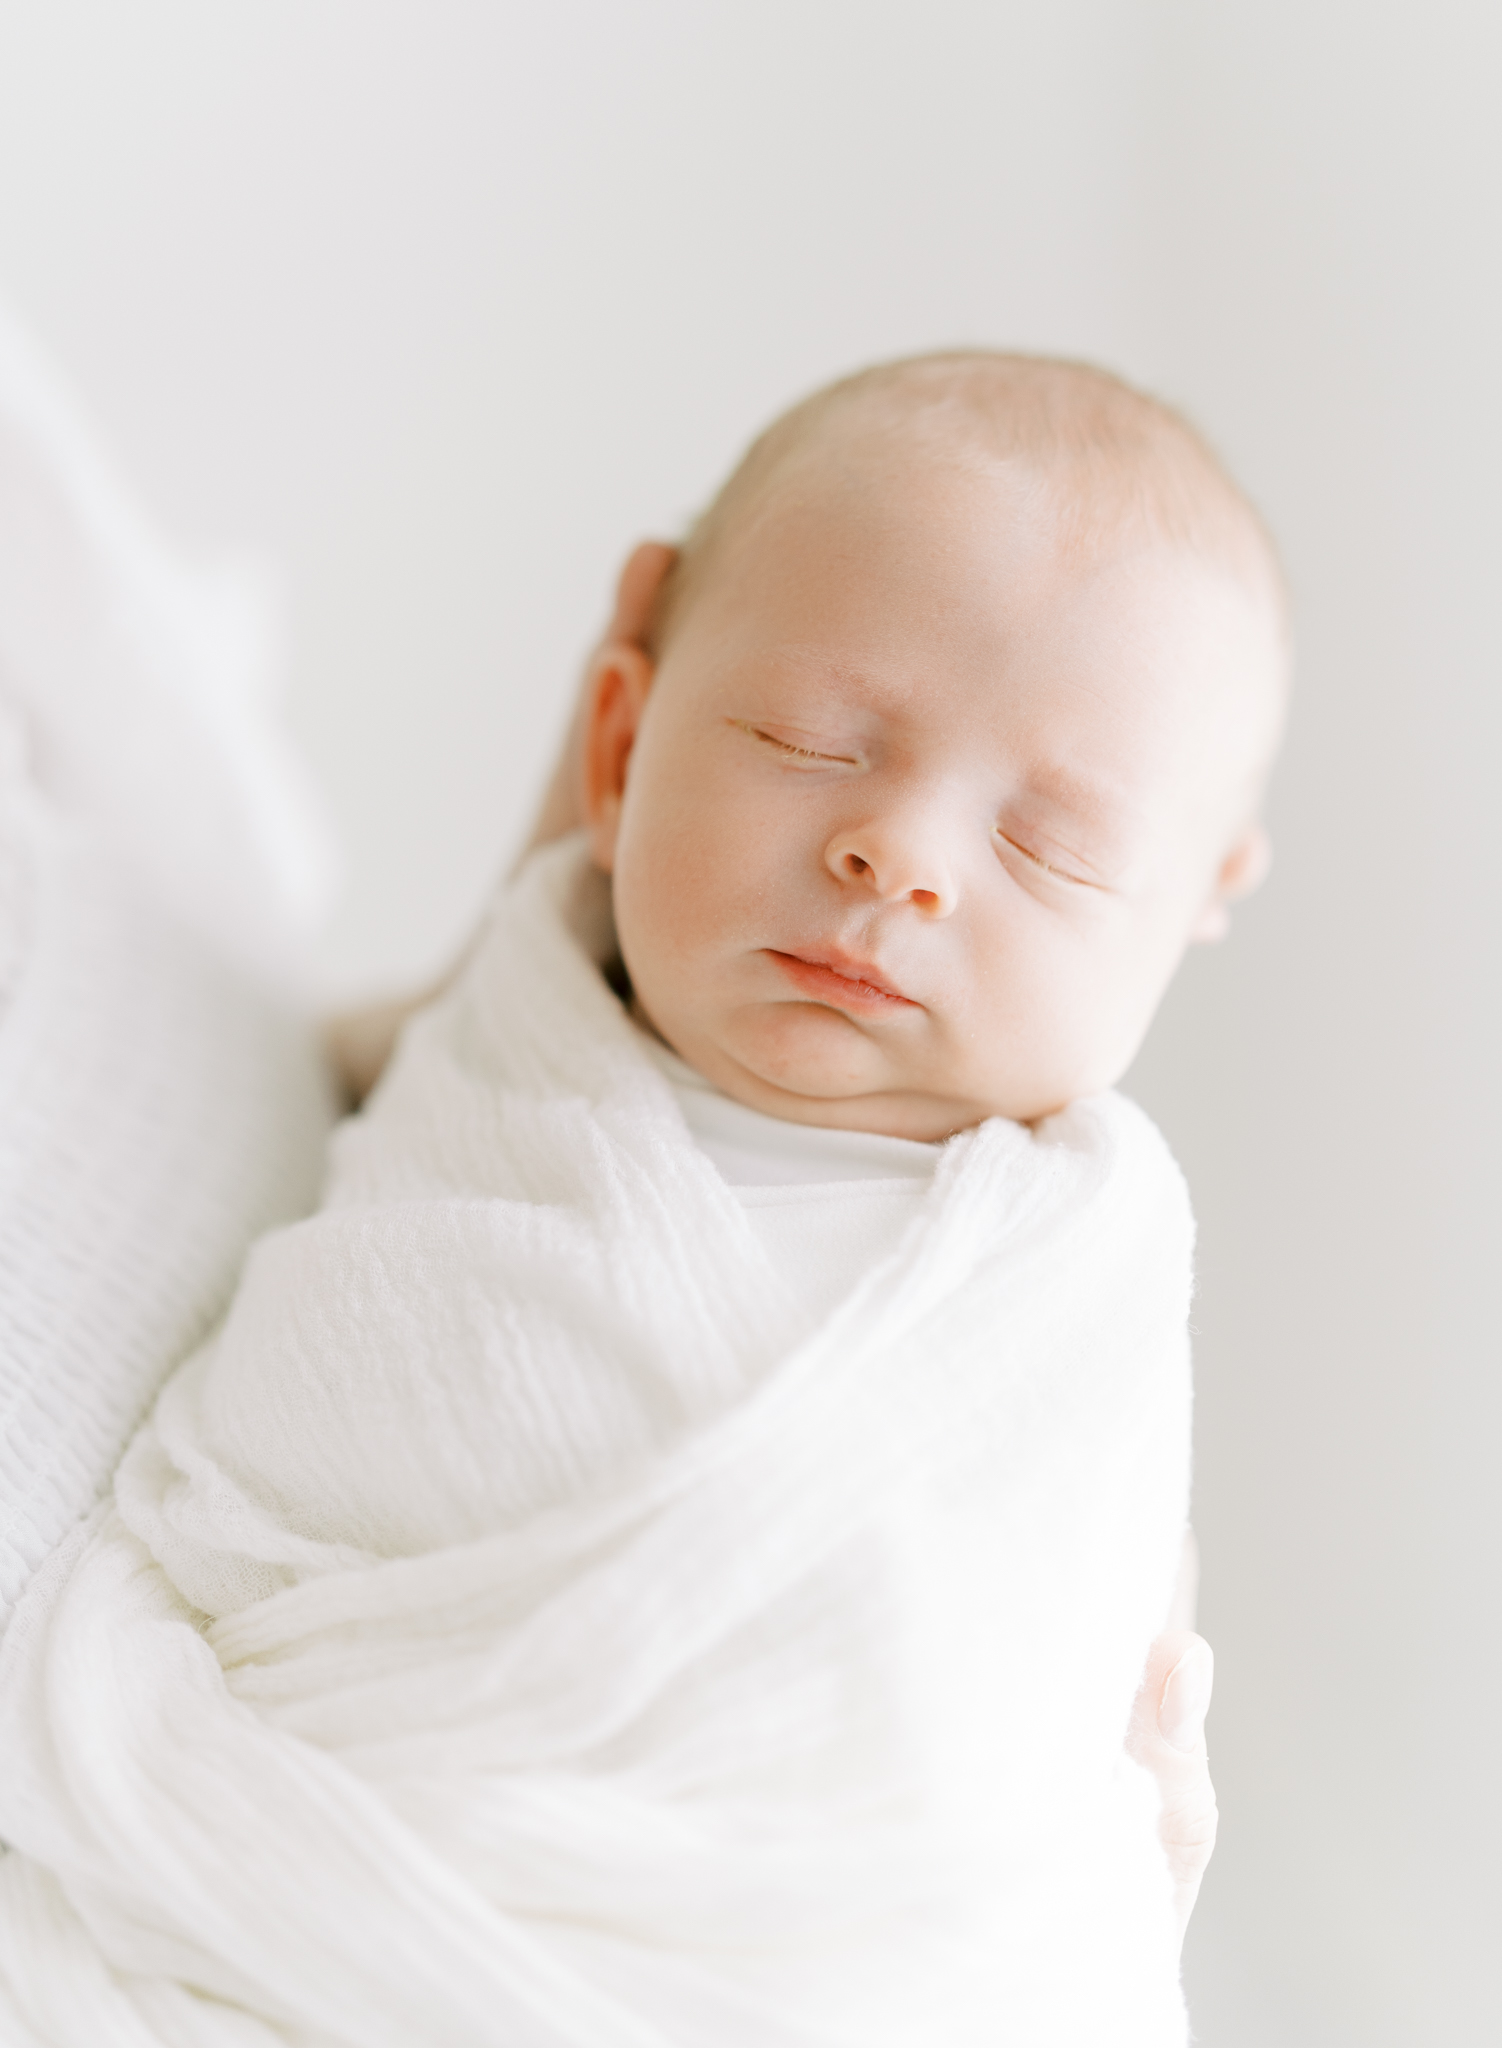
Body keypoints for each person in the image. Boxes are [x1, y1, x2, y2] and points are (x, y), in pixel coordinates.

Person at [0, 353, 1280, 2046]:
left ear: (1198, 894)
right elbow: (325, 1096)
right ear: (623, 735)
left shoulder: (1067, 1289)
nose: (900, 855)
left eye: (1047, 844)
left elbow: (1055, 1700)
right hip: (322, 1853)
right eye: (810, 741)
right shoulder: (511, 1032)